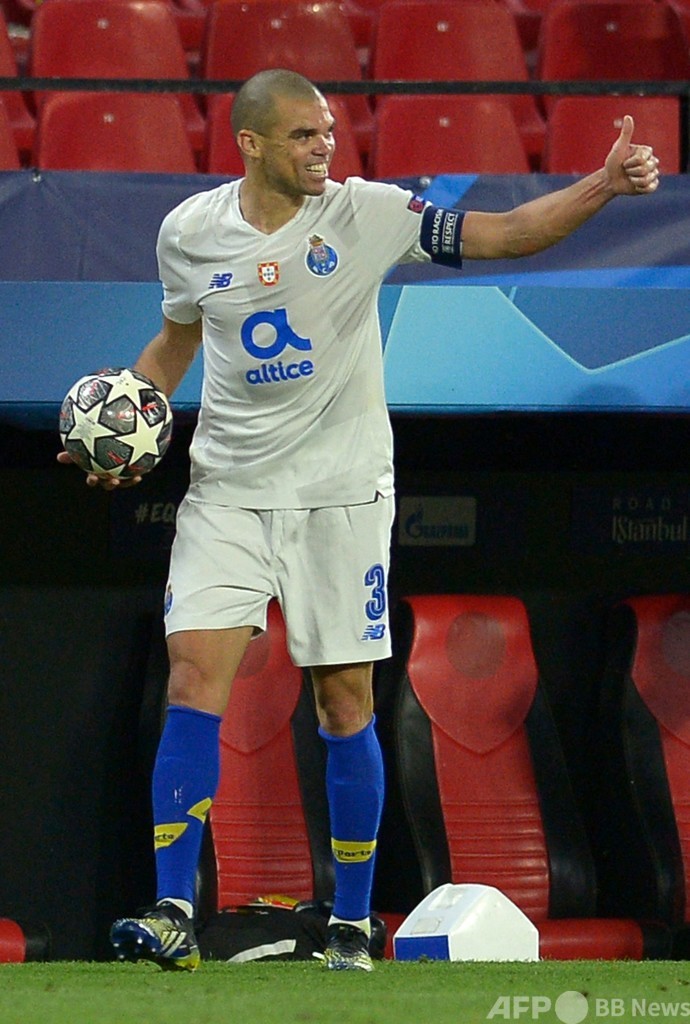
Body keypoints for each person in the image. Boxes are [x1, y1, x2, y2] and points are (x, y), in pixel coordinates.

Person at [58, 68, 659, 972]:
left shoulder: (366, 213)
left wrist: (602, 185)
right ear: (251, 143)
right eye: (304, 136)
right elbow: (178, 342)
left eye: (329, 132)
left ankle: (348, 922)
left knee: (344, 700)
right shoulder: (188, 231)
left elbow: (506, 234)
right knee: (191, 681)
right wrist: (121, 428)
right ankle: (175, 908)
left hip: (341, 497)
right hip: (227, 493)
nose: (325, 148)